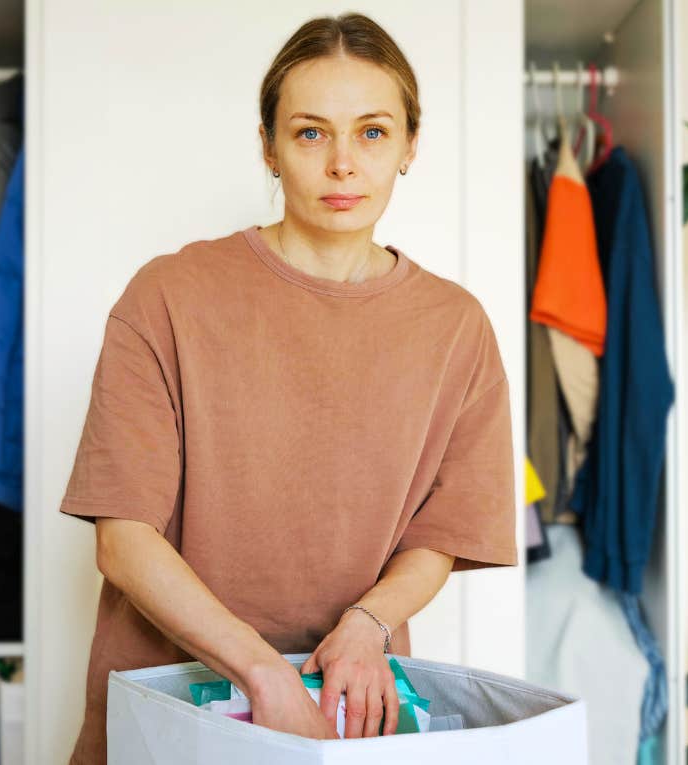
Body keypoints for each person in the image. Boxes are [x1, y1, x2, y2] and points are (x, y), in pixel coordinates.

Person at [58, 12, 516, 763]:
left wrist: (368, 624)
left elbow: (441, 535)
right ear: (268, 147)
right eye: (311, 133)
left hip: (355, 715)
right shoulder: (167, 296)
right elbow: (124, 541)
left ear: (410, 145)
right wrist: (262, 670)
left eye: (372, 132)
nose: (343, 163)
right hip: (168, 714)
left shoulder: (456, 327)